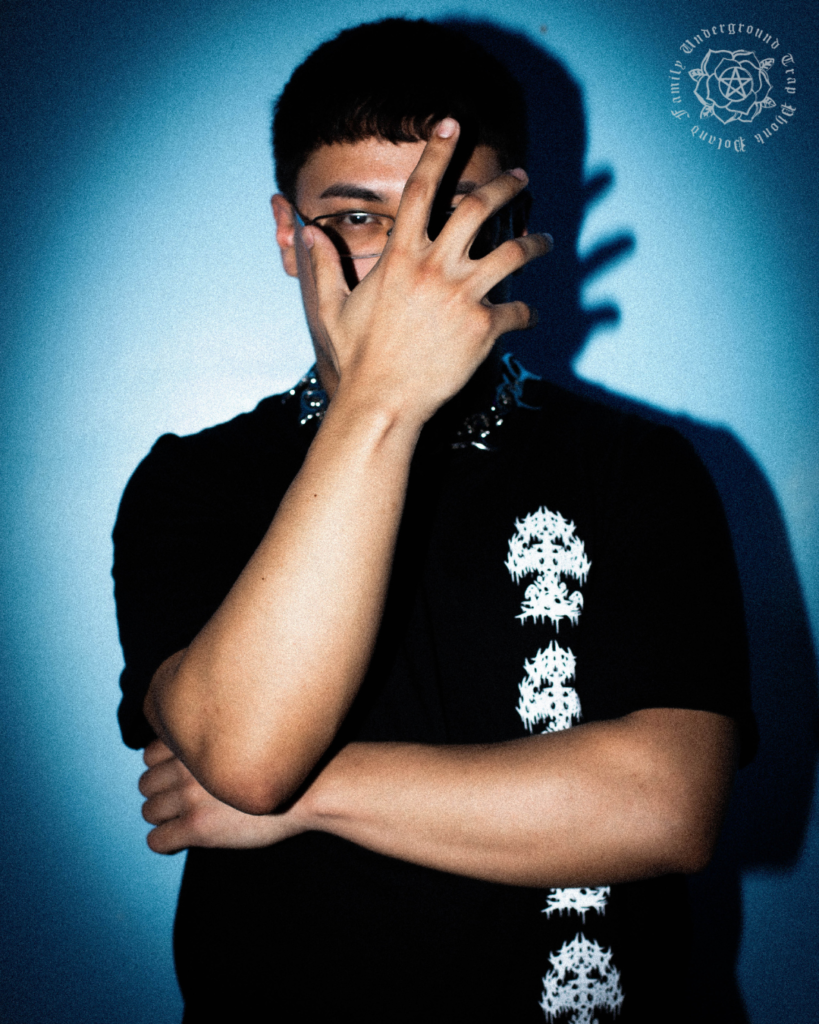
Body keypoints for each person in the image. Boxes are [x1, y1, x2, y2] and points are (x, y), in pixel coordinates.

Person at [113, 18, 753, 1023]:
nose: (407, 265)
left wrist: (308, 797)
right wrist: (381, 399)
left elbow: (665, 806)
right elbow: (244, 754)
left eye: (447, 217)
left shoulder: (635, 466)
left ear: (512, 226)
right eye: (359, 218)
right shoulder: (196, 481)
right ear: (288, 235)